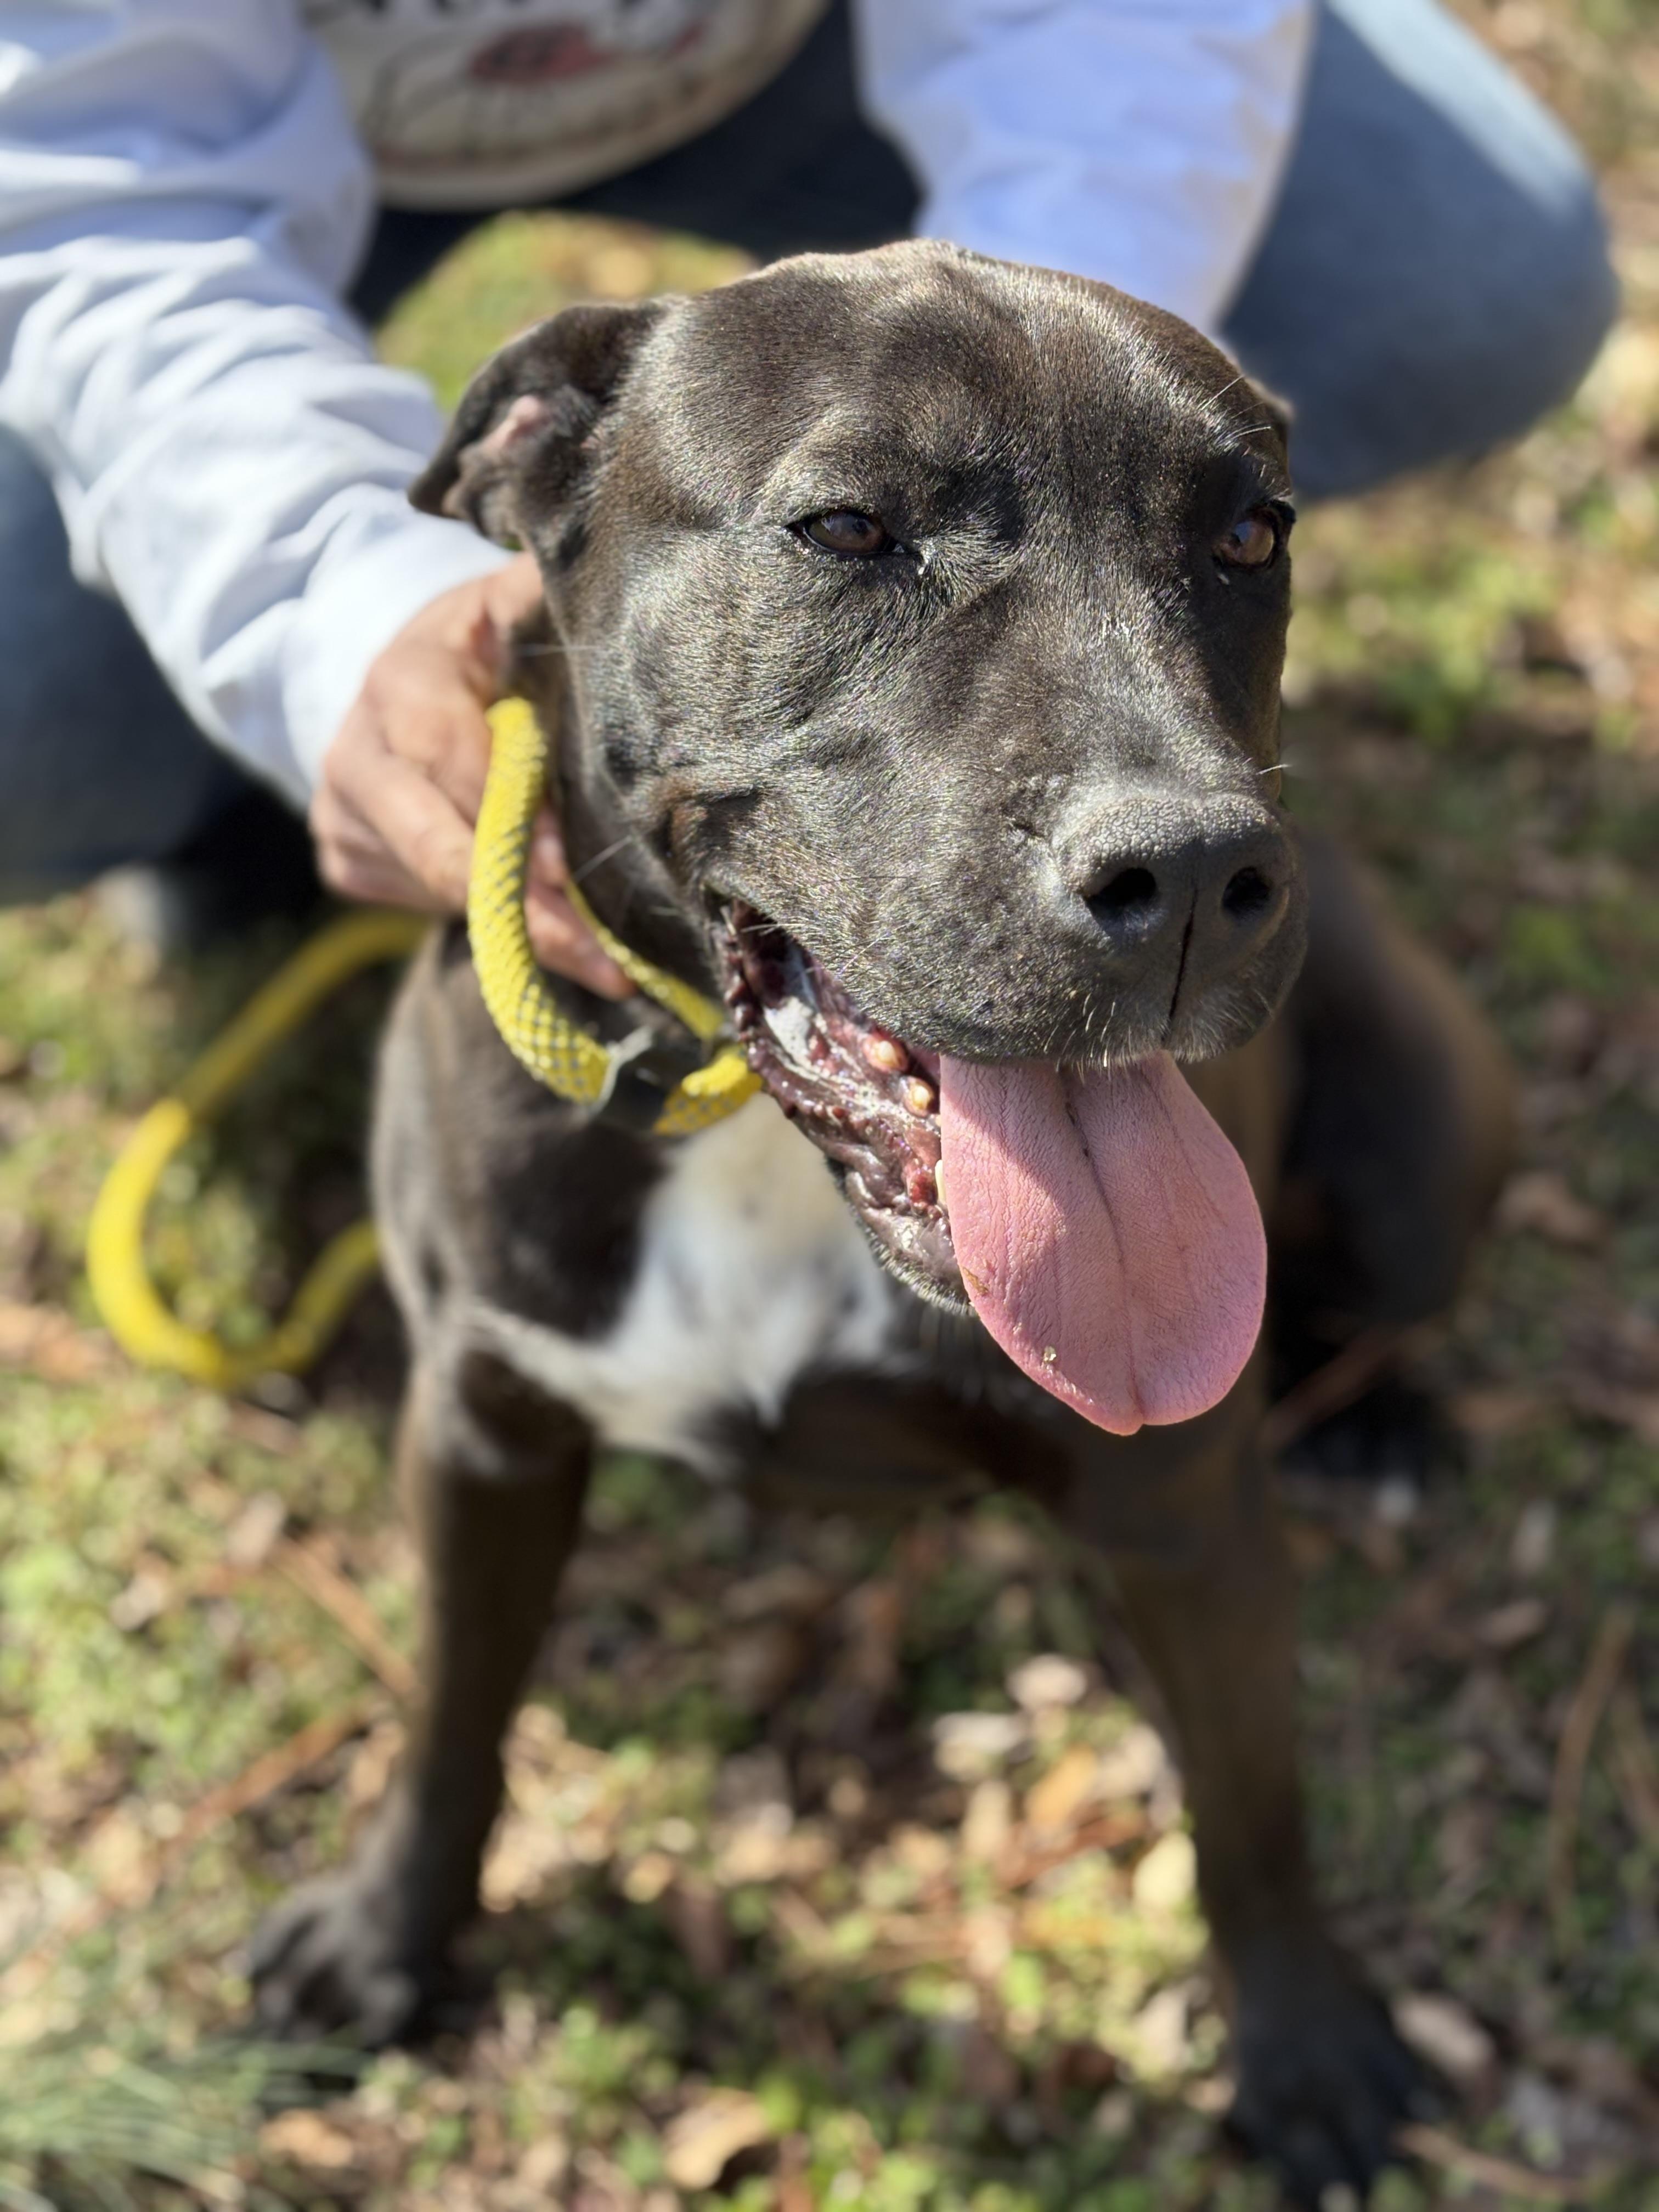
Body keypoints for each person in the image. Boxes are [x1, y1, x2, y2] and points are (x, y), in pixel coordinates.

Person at [0, 0, 1616, 983]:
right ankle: (247, 815)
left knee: (1459, 281)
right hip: (187, 113)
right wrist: (324, 605)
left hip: (795, 50)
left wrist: (1017, 457)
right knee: (34, 724)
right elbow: (93, 192)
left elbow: (1123, 32)